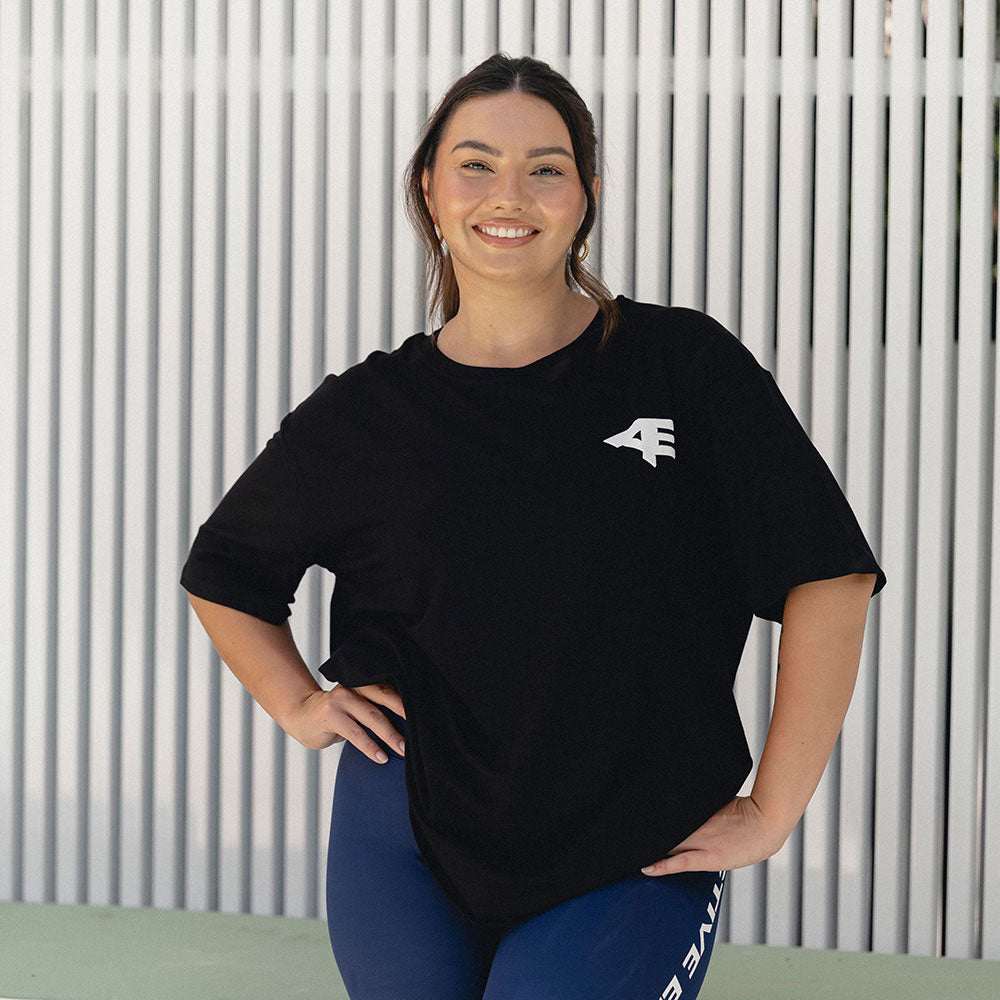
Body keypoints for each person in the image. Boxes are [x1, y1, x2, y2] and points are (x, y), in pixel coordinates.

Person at [180, 52, 885, 1000]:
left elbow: (828, 576)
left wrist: (773, 809)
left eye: (545, 167)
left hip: (632, 839)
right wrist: (301, 704)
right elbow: (224, 574)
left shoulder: (683, 367)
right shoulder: (367, 414)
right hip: (408, 834)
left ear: (584, 196)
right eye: (475, 163)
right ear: (429, 189)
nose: (508, 193)